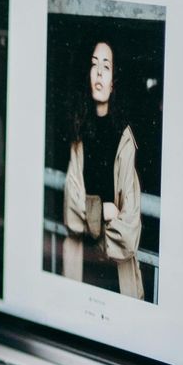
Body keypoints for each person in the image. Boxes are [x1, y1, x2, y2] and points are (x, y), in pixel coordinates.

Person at [60, 37, 143, 297]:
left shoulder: (125, 139)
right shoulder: (79, 135)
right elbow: (70, 212)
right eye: (94, 64)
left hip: (116, 277)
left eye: (106, 67)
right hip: (81, 269)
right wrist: (103, 210)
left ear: (114, 80)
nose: (98, 72)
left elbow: (129, 230)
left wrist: (92, 228)